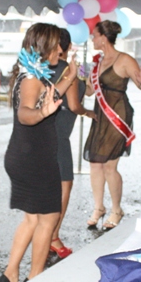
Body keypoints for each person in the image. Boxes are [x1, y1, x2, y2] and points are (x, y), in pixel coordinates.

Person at [2, 23, 77, 282]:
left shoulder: (31, 74)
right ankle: (36, 281)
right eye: (56, 45)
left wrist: (70, 75)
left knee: (33, 219)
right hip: (34, 159)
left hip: (26, 157)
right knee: (47, 219)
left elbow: (51, 97)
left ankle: (11, 275)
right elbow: (25, 114)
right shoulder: (32, 79)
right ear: (44, 47)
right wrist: (41, 113)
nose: (60, 49)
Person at [83, 21, 141, 229]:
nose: (93, 39)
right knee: (95, 163)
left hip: (117, 116)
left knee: (109, 166)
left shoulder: (124, 60)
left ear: (104, 38)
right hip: (100, 115)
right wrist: (78, 78)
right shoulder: (97, 62)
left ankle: (116, 209)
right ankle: (98, 207)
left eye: (95, 36)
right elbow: (89, 92)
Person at [49, 29, 95, 259]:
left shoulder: (44, 69)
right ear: (67, 47)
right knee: (64, 185)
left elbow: (86, 89)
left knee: (47, 187)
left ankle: (45, 234)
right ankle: (53, 236)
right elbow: (75, 104)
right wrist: (89, 113)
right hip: (59, 136)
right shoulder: (68, 71)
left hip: (43, 133)